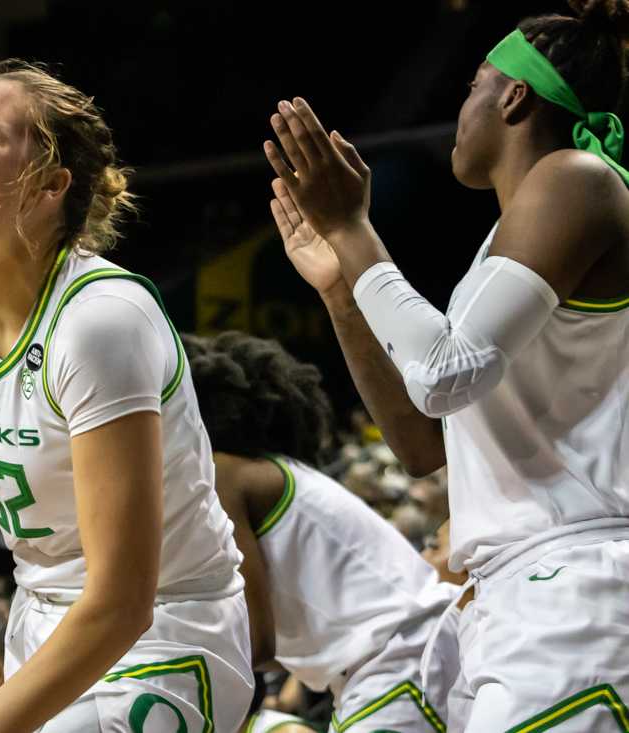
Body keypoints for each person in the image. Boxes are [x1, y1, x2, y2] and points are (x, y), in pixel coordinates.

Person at [0, 60, 253, 732]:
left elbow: (123, 603)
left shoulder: (98, 322)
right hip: (41, 631)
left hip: (169, 637)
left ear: (47, 186)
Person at [263, 1, 629, 729]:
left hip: (578, 585)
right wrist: (340, 286)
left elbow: (440, 373)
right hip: (517, 596)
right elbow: (422, 442)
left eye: (471, 88)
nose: (461, 110)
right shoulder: (508, 240)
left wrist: (352, 226)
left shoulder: (576, 179)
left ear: (515, 96)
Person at [185, 332, 459, 732]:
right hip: (406, 657)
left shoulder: (220, 474)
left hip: (401, 658)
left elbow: (251, 640)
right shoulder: (260, 474)